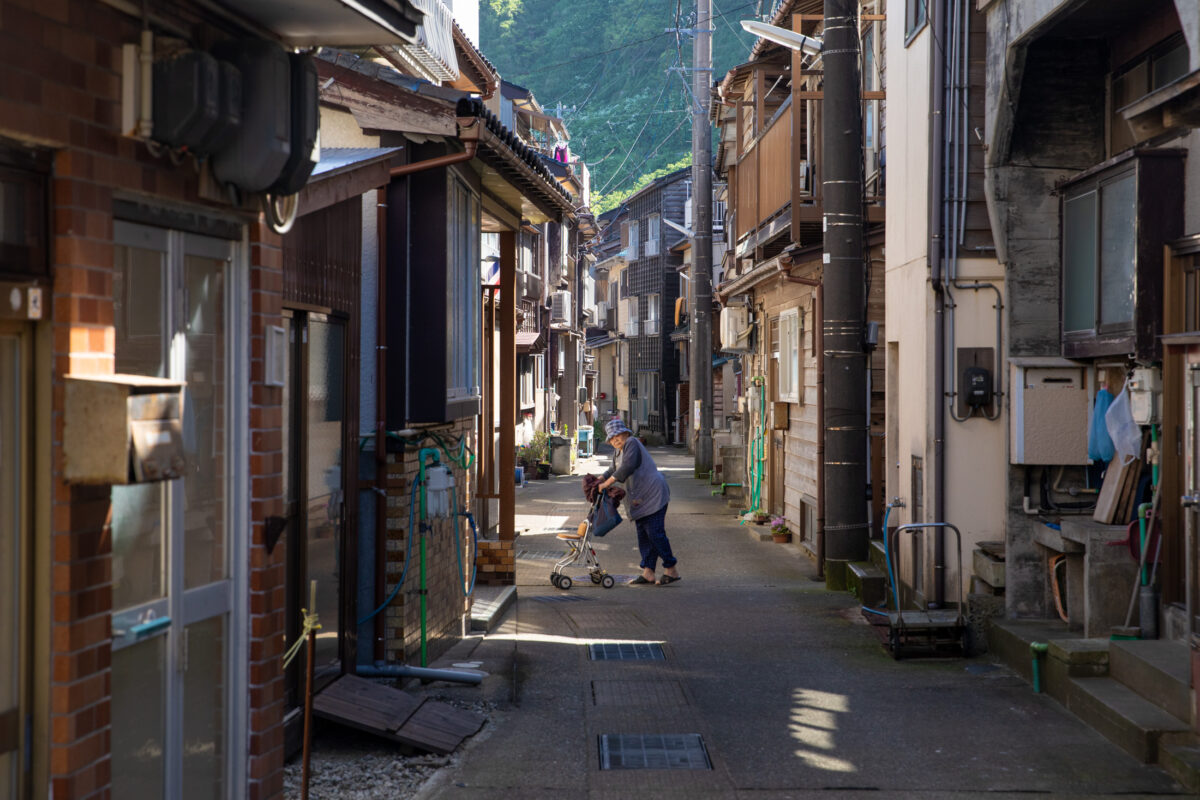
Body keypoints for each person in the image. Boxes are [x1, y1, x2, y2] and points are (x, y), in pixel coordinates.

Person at [598, 417, 680, 585]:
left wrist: (606, 483)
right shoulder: (618, 451)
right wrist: (599, 478)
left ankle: (671, 568)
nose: (616, 440)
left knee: (655, 533)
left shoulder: (632, 443)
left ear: (626, 433)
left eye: (618, 435)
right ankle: (648, 572)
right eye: (612, 438)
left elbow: (628, 466)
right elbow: (614, 468)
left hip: (653, 494)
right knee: (643, 535)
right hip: (639, 499)